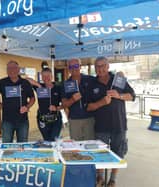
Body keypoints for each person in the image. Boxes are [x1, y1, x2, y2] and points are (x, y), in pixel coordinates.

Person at [87, 56, 135, 187]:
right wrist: (102, 102)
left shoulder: (118, 79)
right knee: (100, 153)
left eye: (103, 66)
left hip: (119, 125)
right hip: (101, 126)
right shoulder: (92, 84)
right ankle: (100, 178)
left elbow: (132, 96)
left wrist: (119, 96)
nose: (100, 69)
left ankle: (113, 179)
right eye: (97, 66)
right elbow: (89, 106)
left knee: (117, 153)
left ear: (108, 66)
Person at [0, 60, 35, 143]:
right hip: (7, 120)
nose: (12, 70)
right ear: (7, 70)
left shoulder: (25, 83)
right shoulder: (2, 82)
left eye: (14, 68)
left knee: (22, 144)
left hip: (22, 120)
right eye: (9, 68)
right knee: (7, 145)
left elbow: (32, 98)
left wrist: (27, 107)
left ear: (18, 69)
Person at [61, 58, 95, 141]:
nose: (73, 68)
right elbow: (64, 104)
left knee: (90, 144)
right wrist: (72, 99)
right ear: (68, 69)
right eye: (70, 67)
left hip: (90, 118)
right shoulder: (65, 84)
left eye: (76, 66)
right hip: (74, 120)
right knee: (76, 146)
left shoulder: (91, 79)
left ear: (80, 66)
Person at [27, 68, 63, 141]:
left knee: (54, 140)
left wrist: (56, 108)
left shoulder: (58, 87)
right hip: (42, 119)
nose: (46, 78)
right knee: (46, 140)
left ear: (52, 76)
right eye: (44, 76)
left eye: (48, 76)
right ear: (42, 77)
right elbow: (27, 79)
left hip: (56, 119)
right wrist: (39, 85)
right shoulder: (39, 86)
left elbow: (64, 104)